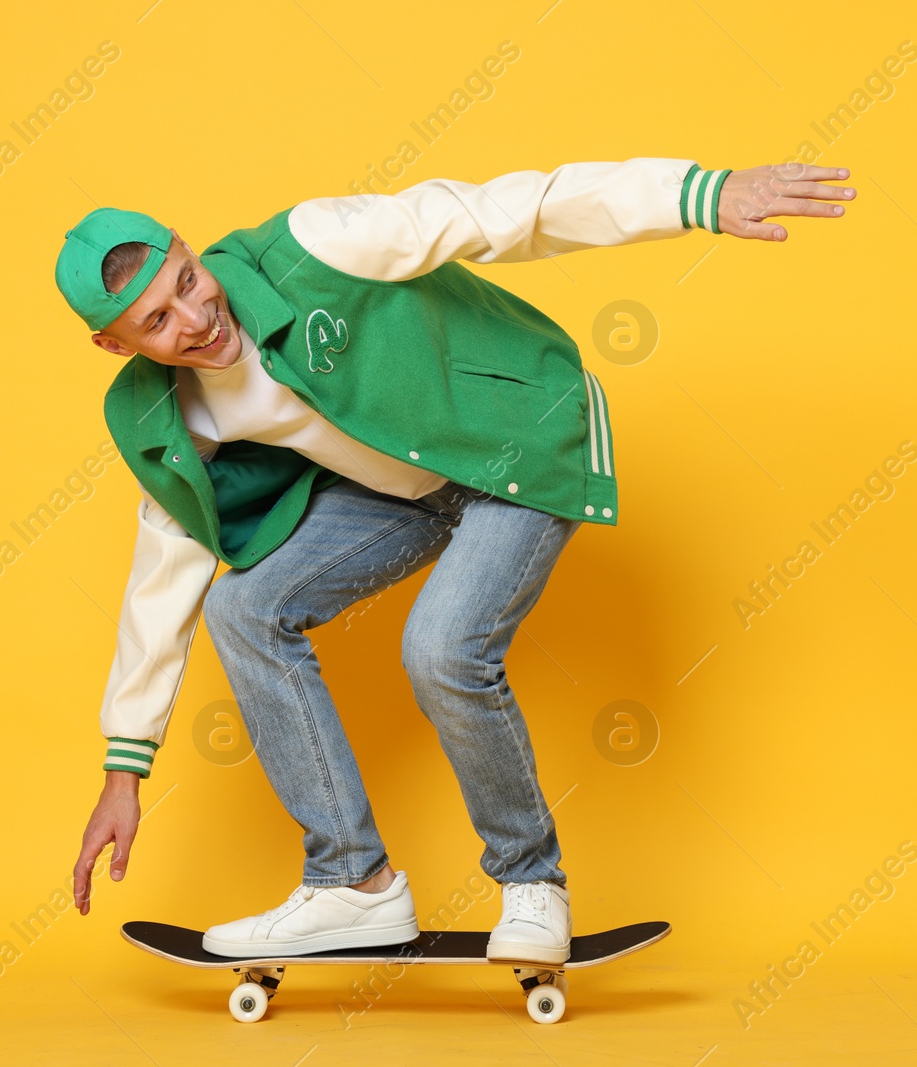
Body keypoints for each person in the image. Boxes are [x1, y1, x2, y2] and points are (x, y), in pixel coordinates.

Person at [61, 158, 854, 963]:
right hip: (403, 489)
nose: (195, 320)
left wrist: (696, 195)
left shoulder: (316, 244)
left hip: (519, 437)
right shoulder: (161, 411)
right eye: (157, 323)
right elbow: (164, 571)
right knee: (243, 608)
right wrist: (124, 769)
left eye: (189, 281)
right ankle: (351, 883)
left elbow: (502, 210)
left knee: (442, 649)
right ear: (112, 344)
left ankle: (531, 882)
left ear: (190, 249)